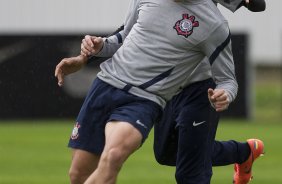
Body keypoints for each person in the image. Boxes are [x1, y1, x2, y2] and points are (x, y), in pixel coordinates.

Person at [55, 0, 264, 183]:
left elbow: (258, 6)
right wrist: (90, 53)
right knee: (164, 154)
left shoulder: (213, 24)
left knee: (185, 172)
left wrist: (224, 94)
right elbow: (125, 35)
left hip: (178, 92)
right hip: (129, 87)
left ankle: (241, 153)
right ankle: (243, 152)